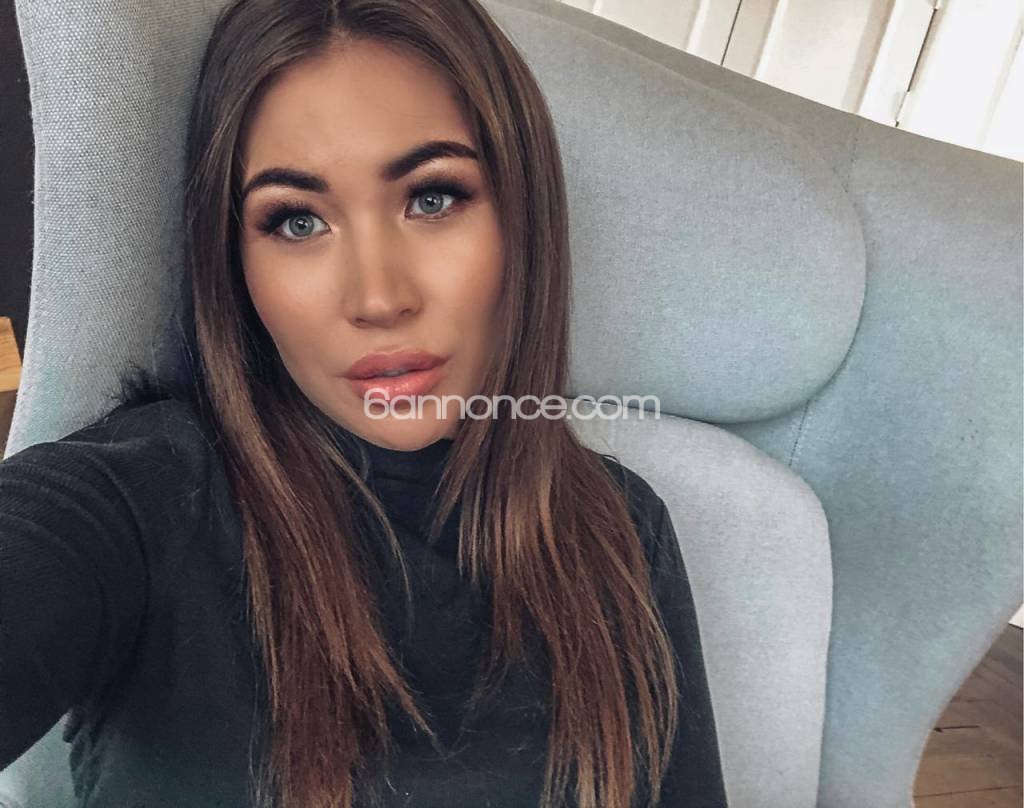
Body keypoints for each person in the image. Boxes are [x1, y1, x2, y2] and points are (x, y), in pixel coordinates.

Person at [0, 0, 728, 806]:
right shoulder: (139, 503)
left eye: (433, 198)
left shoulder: (619, 527)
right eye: (297, 220)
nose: (378, 298)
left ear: (524, 218)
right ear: (232, 263)